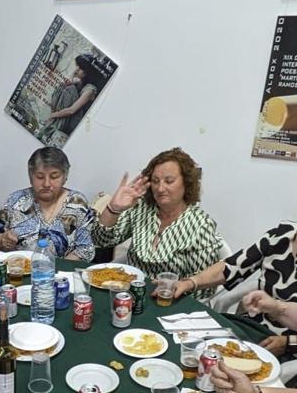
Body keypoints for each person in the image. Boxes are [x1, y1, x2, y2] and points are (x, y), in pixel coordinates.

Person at [91, 147, 224, 298]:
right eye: (155, 181)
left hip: (171, 303)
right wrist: (113, 208)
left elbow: (203, 290)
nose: (160, 188)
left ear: (186, 183)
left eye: (169, 181)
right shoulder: (141, 209)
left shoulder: (200, 225)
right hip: (131, 295)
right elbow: (100, 241)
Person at [171, 223, 297, 356]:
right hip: (250, 327)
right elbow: (233, 266)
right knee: (185, 346)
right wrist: (191, 282)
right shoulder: (282, 234)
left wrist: (290, 343)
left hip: (282, 343)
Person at [0, 146, 96, 260]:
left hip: (59, 274)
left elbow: (84, 250)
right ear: (31, 177)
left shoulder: (77, 203)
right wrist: (1, 238)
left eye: (54, 176)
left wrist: (56, 271)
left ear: (64, 177)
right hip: (17, 270)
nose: (46, 183)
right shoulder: (17, 199)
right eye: (40, 177)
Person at [42, 54, 108, 143]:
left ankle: (52, 123)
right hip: (63, 118)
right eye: (77, 66)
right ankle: (51, 124)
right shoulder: (80, 83)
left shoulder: (90, 90)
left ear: (87, 72)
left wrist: (52, 115)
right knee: (63, 87)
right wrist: (76, 79)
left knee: (69, 88)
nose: (76, 70)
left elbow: (71, 110)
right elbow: (62, 86)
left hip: (71, 123)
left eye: (80, 68)